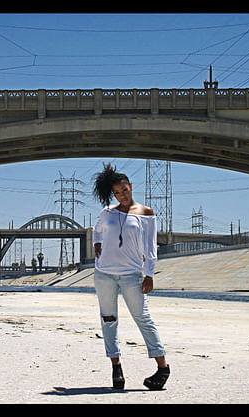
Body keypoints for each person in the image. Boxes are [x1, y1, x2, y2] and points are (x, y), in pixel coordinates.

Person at [91, 163, 170, 390]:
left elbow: (150, 246)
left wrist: (149, 274)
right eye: (117, 192)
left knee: (143, 319)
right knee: (109, 319)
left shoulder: (146, 213)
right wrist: (97, 241)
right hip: (104, 274)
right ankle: (116, 367)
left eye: (124, 190)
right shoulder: (107, 212)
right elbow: (97, 229)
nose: (122, 195)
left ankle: (162, 367)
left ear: (131, 187)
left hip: (132, 275)